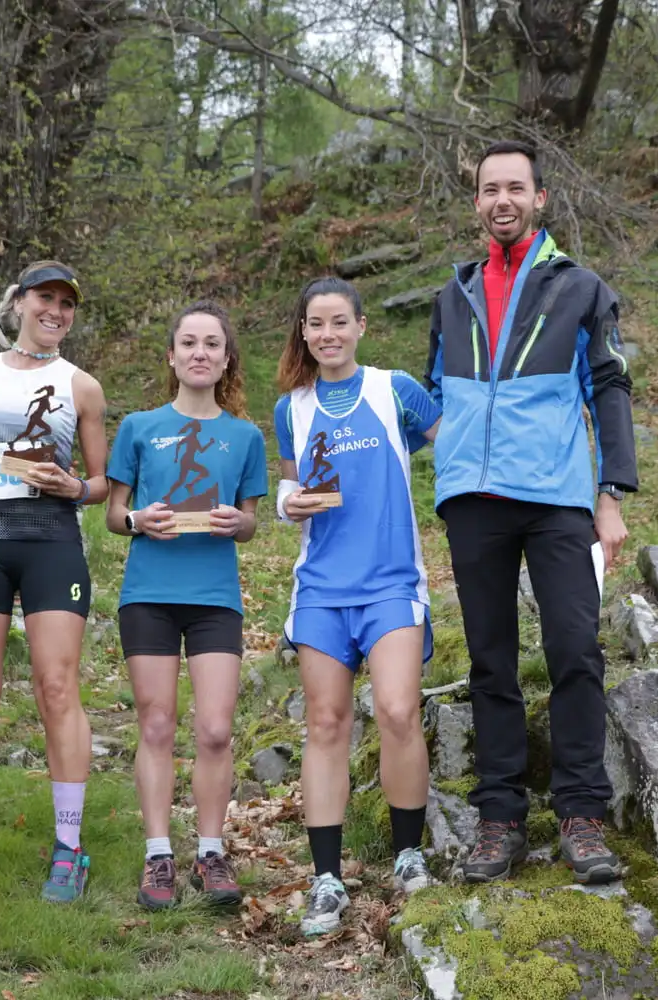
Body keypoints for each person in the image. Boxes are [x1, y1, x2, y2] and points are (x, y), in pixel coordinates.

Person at [423, 140, 638, 886]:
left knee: (575, 649)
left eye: (516, 187)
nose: (502, 200)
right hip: (474, 505)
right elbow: (437, 394)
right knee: (490, 662)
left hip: (556, 501)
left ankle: (582, 815)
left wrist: (610, 496)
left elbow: (609, 387)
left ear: (541, 198)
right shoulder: (451, 293)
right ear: (477, 201)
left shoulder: (580, 287)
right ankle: (499, 820)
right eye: (490, 189)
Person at [274, 277, 442, 937]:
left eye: (339, 322)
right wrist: (290, 502)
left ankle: (407, 856)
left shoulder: (394, 388)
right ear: (305, 332)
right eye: (316, 324)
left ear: (361, 326)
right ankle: (326, 880)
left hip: (392, 582)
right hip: (321, 588)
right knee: (326, 723)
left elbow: (444, 443)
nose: (328, 335)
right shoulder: (292, 407)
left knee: (399, 711)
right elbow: (291, 490)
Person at [0, 260, 108, 904]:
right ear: (18, 303)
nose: (56, 311)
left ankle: (70, 848)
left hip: (51, 539)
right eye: (45, 298)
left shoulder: (81, 386)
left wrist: (74, 487)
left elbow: (101, 483)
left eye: (67, 303)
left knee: (56, 687)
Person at [105, 300, 267, 911]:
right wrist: (138, 519)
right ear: (172, 355)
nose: (201, 353)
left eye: (212, 345)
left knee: (216, 729)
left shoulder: (245, 435)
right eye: (189, 343)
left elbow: (251, 523)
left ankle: (210, 849)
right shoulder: (139, 427)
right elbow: (114, 515)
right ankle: (157, 855)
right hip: (148, 593)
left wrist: (236, 523)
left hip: (215, 599)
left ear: (227, 360)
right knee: (155, 724)